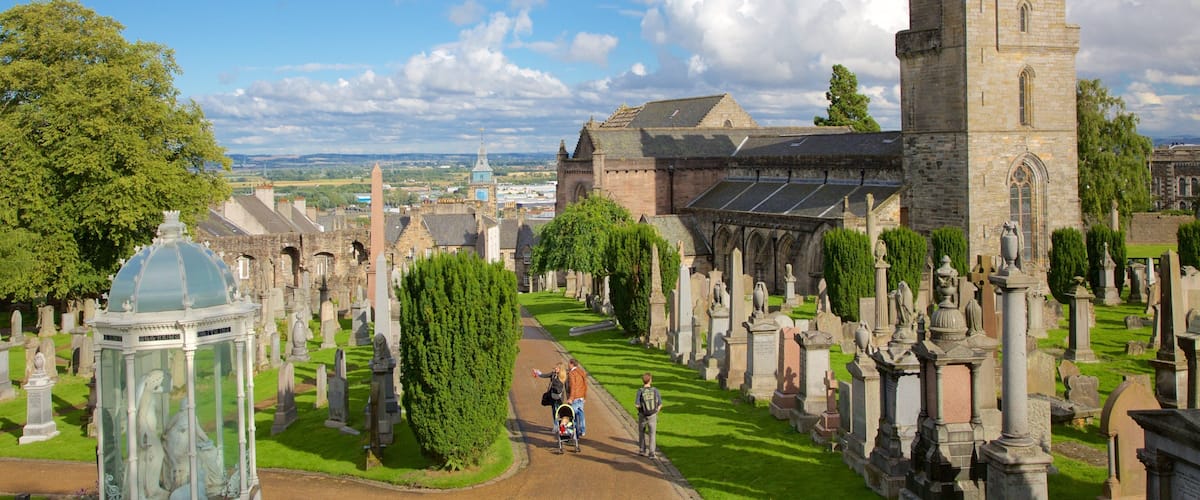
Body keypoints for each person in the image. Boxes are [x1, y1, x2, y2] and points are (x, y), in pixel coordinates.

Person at [635, 372, 662, 458]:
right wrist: (655, 412)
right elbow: (660, 404)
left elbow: (637, 405)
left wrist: (641, 411)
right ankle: (652, 453)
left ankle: (642, 450)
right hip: (652, 415)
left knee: (641, 432)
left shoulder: (640, 391)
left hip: (642, 415)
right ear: (650, 380)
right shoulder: (655, 390)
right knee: (652, 434)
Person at [567, 358, 588, 438]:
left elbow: (573, 386)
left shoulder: (572, 373)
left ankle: (574, 433)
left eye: (569, 363)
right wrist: (584, 396)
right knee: (581, 413)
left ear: (572, 364)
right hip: (581, 397)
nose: (568, 365)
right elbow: (585, 385)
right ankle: (582, 430)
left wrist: (571, 398)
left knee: (572, 415)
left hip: (575, 397)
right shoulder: (581, 372)